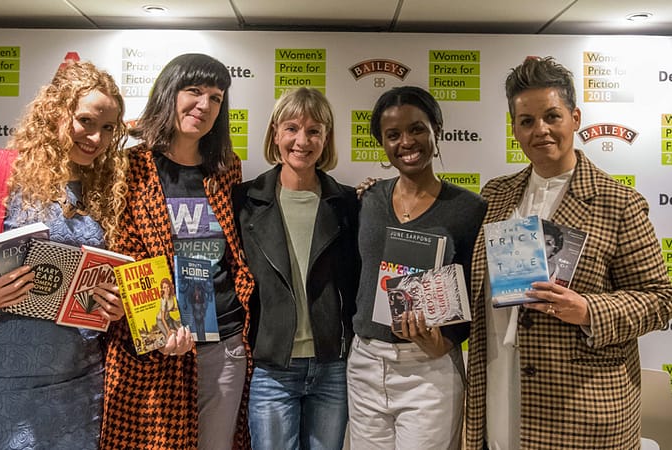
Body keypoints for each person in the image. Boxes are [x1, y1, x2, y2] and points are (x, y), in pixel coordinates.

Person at [464, 56, 672, 450]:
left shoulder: (619, 202)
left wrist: (589, 310)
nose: (540, 130)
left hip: (580, 406)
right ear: (515, 129)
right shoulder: (495, 194)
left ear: (575, 118)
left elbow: (661, 300)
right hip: (499, 385)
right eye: (527, 121)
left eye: (551, 116)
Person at [0, 60, 128, 449]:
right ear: (54, 111)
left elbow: (102, 280)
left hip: (80, 379)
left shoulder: (104, 185)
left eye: (108, 129)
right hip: (0, 377)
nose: (96, 138)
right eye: (86, 121)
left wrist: (115, 306)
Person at [100, 53, 255, 450]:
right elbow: (126, 255)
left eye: (216, 98)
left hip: (224, 342)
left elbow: (232, 254)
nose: (204, 105)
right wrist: (160, 330)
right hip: (154, 348)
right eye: (194, 91)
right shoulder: (128, 167)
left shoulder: (226, 167)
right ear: (170, 92)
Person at [348, 86, 487, 449]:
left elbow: (478, 292)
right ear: (382, 143)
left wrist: (445, 341)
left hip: (429, 366)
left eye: (417, 129)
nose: (406, 142)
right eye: (393, 135)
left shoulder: (470, 208)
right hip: (365, 362)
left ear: (436, 129)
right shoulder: (367, 199)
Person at [233, 87, 360, 450]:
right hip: (272, 367)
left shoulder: (348, 203)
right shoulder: (243, 201)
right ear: (275, 133)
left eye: (314, 131)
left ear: (327, 138)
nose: (302, 140)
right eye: (291, 128)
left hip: (331, 366)